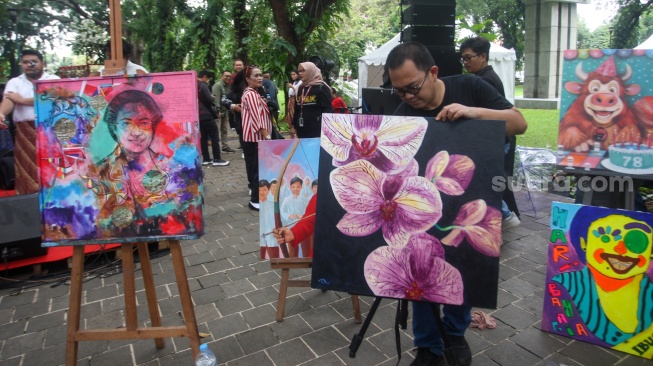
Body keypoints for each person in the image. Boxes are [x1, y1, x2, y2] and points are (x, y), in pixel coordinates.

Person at [385, 41, 527, 366]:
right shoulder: (404, 113)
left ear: (433, 72)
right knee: (419, 276)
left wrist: (472, 114)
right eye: (399, 91)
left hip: (469, 206)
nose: (408, 97)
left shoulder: (470, 86)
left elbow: (519, 123)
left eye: (413, 87)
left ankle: (454, 332)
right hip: (421, 212)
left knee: (463, 270)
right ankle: (427, 347)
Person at [87, 90, 201, 234]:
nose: (136, 132)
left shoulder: (172, 168)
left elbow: (186, 212)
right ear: (113, 128)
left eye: (144, 123)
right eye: (126, 124)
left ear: (153, 126)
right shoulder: (100, 174)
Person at [460, 36, 521, 230]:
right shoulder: (485, 77)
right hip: (494, 140)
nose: (466, 62)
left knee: (483, 182)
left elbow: (497, 116)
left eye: (469, 58)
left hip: (494, 140)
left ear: (483, 56)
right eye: (463, 59)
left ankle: (506, 216)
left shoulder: (485, 81)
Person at [0, 49, 59, 194]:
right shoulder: (15, 82)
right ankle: (29, 209)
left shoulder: (54, 79)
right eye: (26, 62)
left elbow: (47, 98)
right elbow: (8, 100)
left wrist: (21, 100)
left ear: (42, 63)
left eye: (34, 61)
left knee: (54, 170)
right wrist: (0, 113)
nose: (30, 65)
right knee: (26, 171)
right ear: (22, 65)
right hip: (24, 132)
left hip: (50, 130)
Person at [240, 65, 272, 210]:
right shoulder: (251, 94)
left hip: (255, 138)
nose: (260, 78)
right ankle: (255, 200)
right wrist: (268, 137)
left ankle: (256, 197)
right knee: (257, 170)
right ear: (248, 79)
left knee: (257, 168)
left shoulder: (253, 93)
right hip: (255, 138)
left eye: (260, 75)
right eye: (256, 76)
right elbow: (257, 119)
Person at [291, 62, 333, 138]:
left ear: (311, 71)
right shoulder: (300, 88)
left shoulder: (321, 88)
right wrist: (293, 125)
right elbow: (297, 108)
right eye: (299, 71)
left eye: (303, 71)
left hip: (317, 131)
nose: (300, 73)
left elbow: (328, 110)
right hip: (302, 130)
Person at [197, 70, 229, 167]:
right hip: (207, 115)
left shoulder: (193, 85)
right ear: (204, 76)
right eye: (207, 78)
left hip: (199, 115)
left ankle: (206, 159)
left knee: (203, 137)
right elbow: (208, 99)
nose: (207, 81)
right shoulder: (203, 85)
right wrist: (212, 97)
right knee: (214, 136)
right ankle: (217, 158)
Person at [211, 70, 236, 153]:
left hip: (225, 111)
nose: (228, 78)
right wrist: (217, 110)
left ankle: (224, 146)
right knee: (216, 129)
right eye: (226, 76)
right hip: (218, 112)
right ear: (222, 76)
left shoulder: (228, 86)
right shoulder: (217, 85)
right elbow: (216, 99)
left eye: (230, 76)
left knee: (224, 129)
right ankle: (216, 147)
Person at [285, 69, 301, 135]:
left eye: (294, 74)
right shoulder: (294, 82)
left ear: (298, 75)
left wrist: (291, 86)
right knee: (290, 114)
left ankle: (295, 129)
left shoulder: (300, 82)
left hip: (295, 99)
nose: (292, 76)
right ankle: (291, 128)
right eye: (291, 74)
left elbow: (297, 91)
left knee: (294, 113)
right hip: (290, 99)